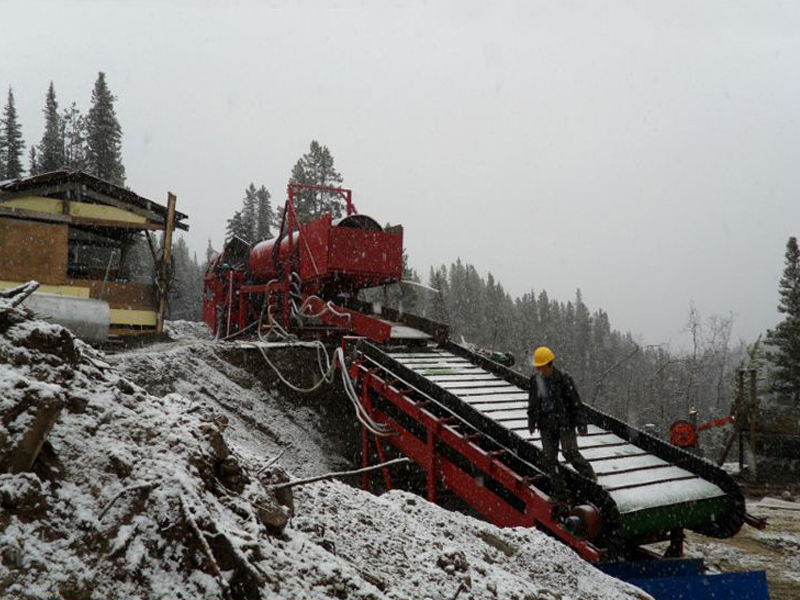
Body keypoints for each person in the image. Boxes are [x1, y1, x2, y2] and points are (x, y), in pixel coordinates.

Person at [527, 346, 597, 500]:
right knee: (549, 459)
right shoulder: (534, 380)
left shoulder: (563, 380)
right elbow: (532, 403)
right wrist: (531, 421)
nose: (539, 370)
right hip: (546, 424)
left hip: (564, 423)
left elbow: (575, 403)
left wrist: (581, 424)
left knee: (569, 452)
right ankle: (561, 494)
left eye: (541, 367)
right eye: (537, 367)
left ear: (549, 364)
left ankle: (591, 479)